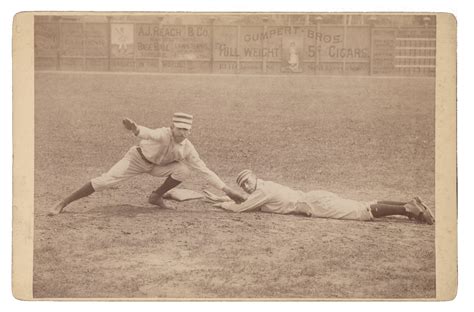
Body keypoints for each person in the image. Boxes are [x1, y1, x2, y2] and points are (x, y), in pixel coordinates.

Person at [48, 112, 246, 216]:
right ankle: (64, 202)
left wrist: (229, 191)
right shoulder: (163, 133)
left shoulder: (187, 147)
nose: (183, 133)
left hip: (158, 167)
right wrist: (135, 129)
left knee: (184, 170)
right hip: (136, 159)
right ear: (172, 127)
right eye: (180, 129)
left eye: (187, 130)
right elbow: (147, 132)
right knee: (106, 181)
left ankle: (156, 196)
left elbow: (204, 170)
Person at [205, 169, 435, 225]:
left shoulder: (262, 192)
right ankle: (409, 204)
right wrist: (222, 200)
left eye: (247, 180)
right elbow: (248, 203)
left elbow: (242, 208)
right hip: (313, 199)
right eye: (243, 184)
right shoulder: (262, 188)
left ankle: (408, 209)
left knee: (360, 212)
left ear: (255, 178)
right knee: (361, 206)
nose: (246, 185)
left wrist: (221, 202)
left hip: (313, 204)